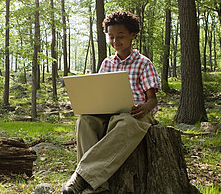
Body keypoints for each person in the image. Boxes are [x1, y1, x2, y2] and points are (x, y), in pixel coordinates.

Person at [62, 11, 161, 194]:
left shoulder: (143, 63)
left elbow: (152, 100)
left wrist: (145, 107)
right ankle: (98, 187)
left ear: (133, 36)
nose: (116, 41)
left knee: (124, 123)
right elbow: (101, 92)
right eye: (111, 37)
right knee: (85, 121)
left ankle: (82, 177)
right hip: (108, 111)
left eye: (120, 36)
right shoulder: (107, 63)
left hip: (135, 114)